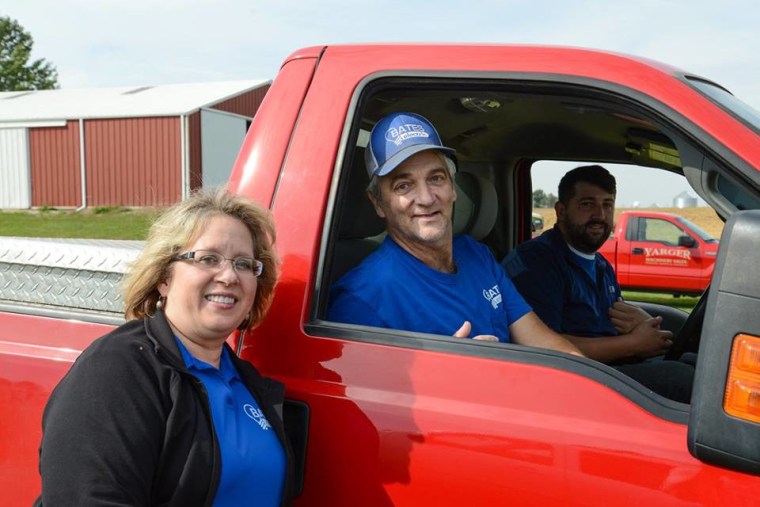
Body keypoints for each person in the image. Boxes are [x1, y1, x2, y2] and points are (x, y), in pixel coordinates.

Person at [36, 188, 294, 506]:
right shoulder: (117, 370)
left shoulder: (245, 380)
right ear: (164, 278)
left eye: (243, 264)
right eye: (208, 259)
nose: (229, 276)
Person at [328, 111, 582, 356]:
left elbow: (538, 338)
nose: (426, 198)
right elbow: (355, 395)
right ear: (378, 203)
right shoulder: (362, 298)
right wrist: (445, 372)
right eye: (403, 185)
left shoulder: (476, 254)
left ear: (453, 189)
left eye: (436, 178)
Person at [502, 165, 694, 402]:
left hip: (610, 368)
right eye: (587, 204)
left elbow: (619, 320)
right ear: (561, 211)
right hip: (574, 381)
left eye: (607, 204)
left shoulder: (601, 265)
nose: (600, 215)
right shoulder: (537, 262)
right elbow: (542, 346)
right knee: (681, 379)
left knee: (695, 363)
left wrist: (642, 324)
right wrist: (632, 344)